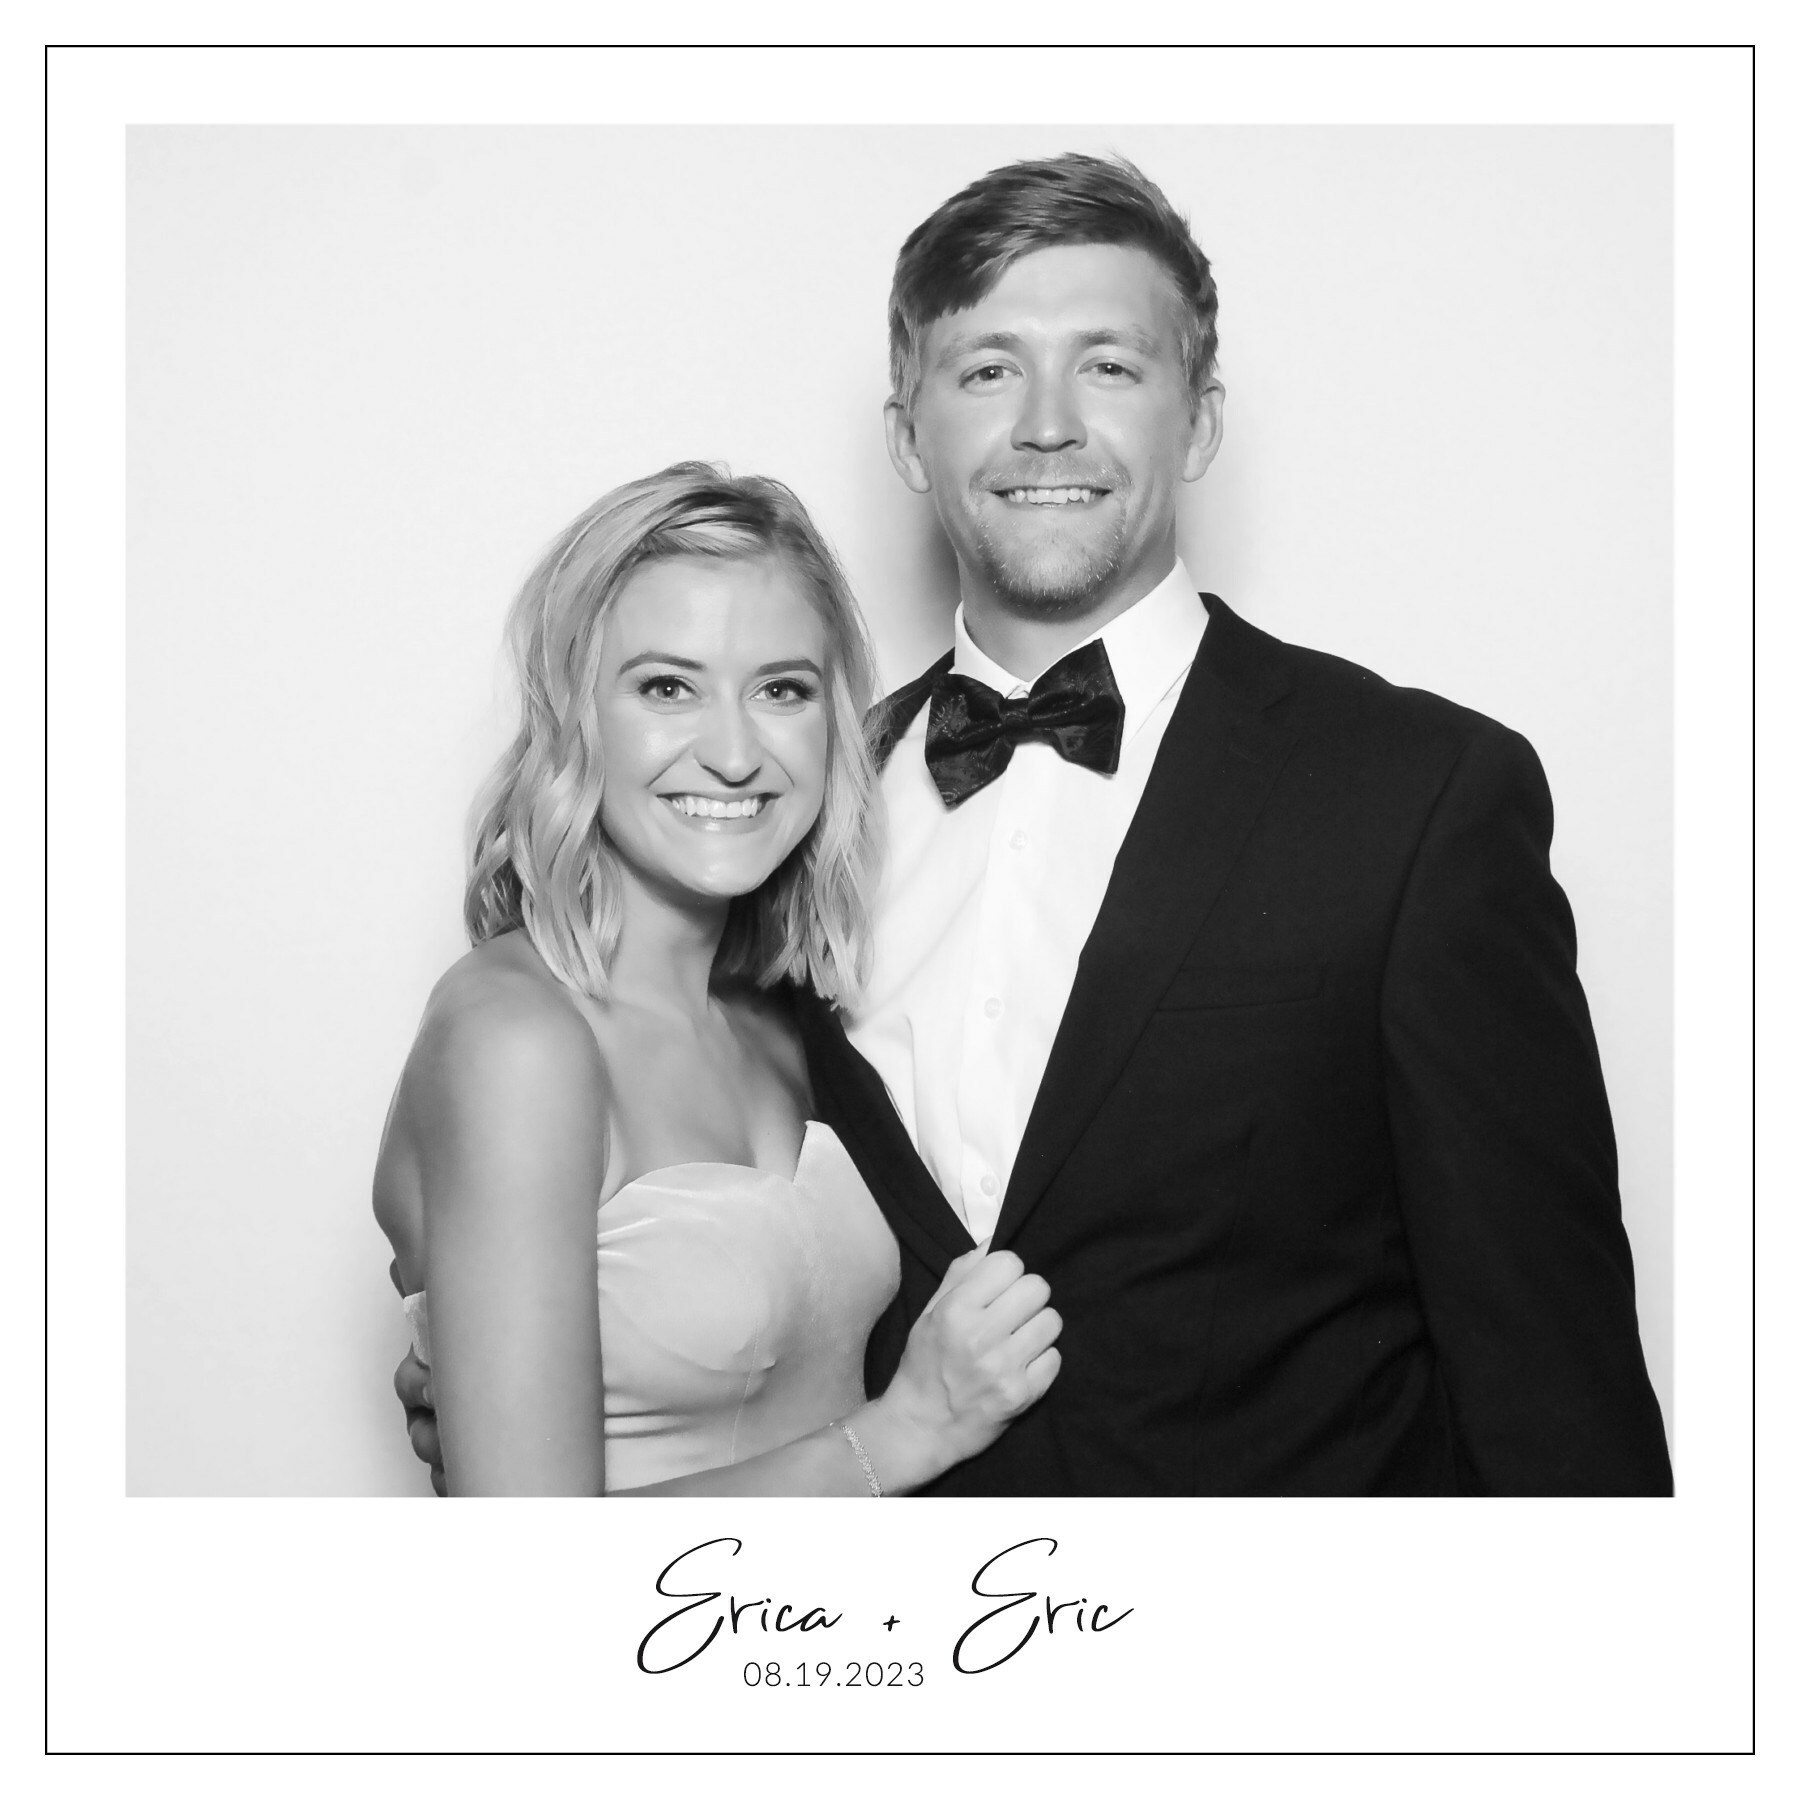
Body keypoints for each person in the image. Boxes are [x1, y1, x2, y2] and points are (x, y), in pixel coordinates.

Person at [397, 152, 1673, 1495]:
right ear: (909, 435)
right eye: (989, 369)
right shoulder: (782, 815)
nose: (1047, 424)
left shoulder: (1419, 797)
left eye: (1108, 366)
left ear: (1200, 421)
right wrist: (510, 1360)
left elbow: (1553, 1375)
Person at [374, 464, 1061, 1496]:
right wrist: (908, 1430)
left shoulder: (787, 1018)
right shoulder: (515, 1039)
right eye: (667, 687)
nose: (735, 754)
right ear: (575, 716)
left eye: (782, 690)